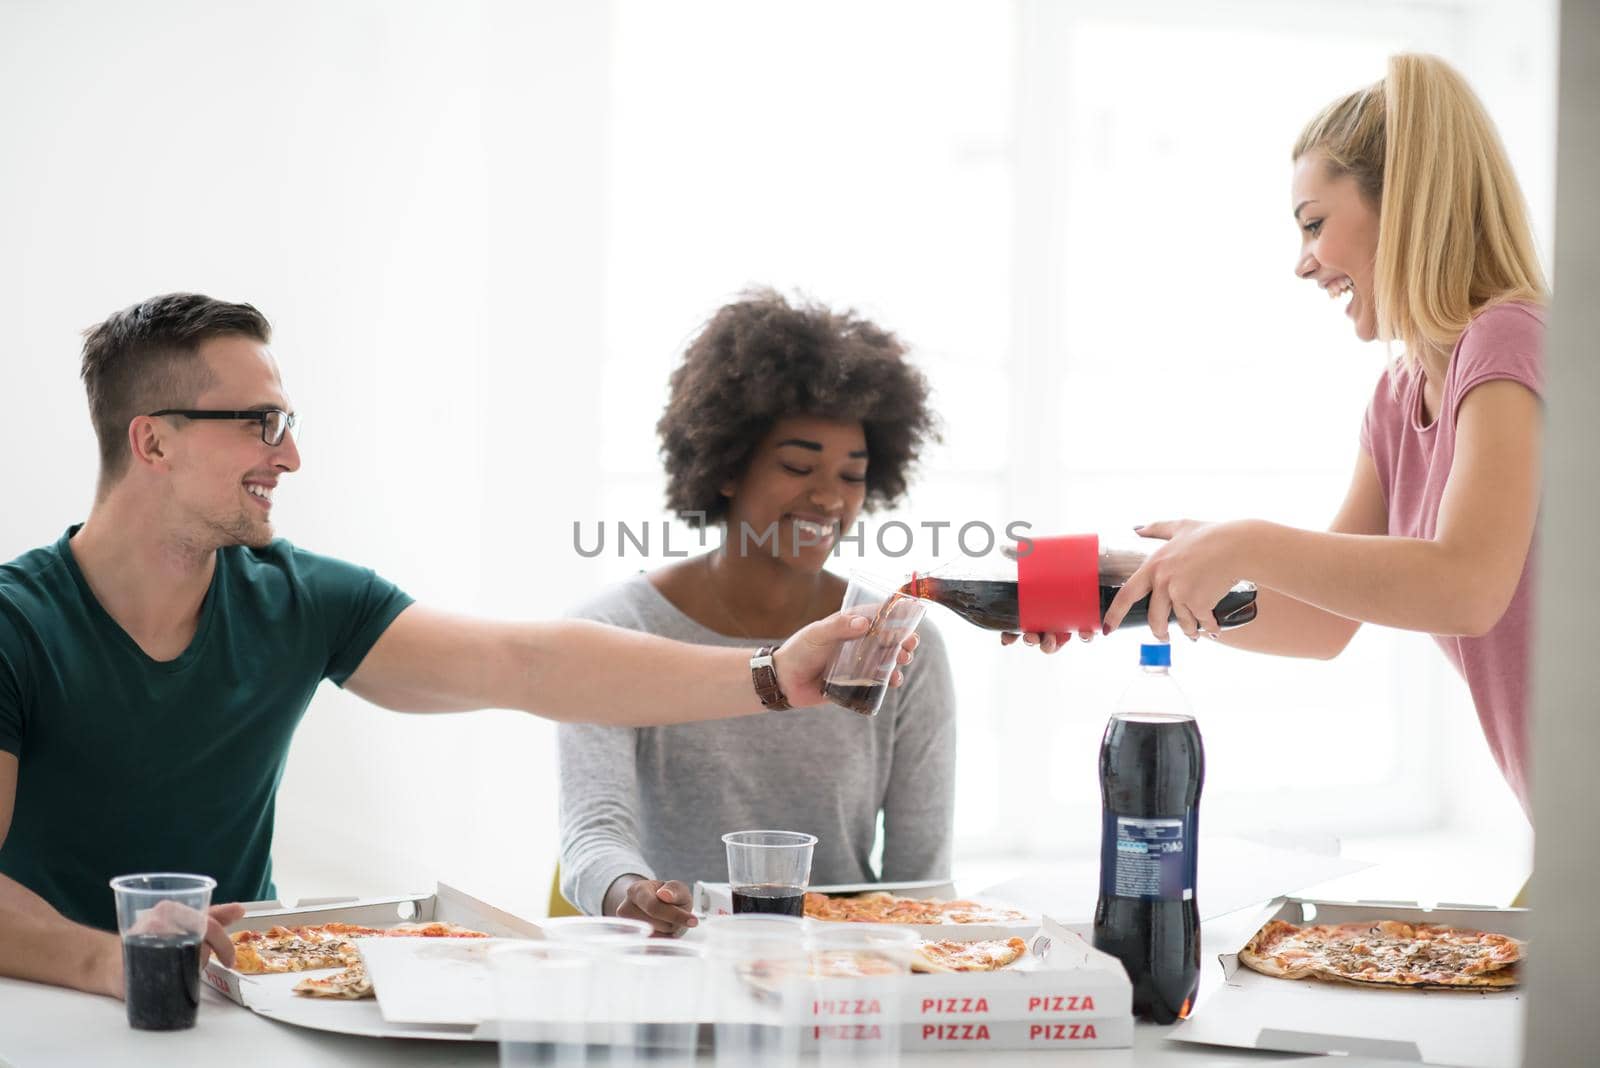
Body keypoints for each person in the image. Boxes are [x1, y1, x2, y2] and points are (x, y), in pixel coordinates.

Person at [0, 293, 919, 997]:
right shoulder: (15, 625)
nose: (287, 457)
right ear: (152, 441)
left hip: (229, 1010)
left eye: (288, 426)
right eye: (259, 423)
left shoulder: (301, 599)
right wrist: (120, 962)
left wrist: (770, 675)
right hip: (45, 1014)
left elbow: (526, 663)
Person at [1091, 54, 1545, 817]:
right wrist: (1141, 578)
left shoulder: (1510, 338)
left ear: (1404, 206)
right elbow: (1320, 620)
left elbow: (1467, 588)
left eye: (1314, 224)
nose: (1304, 264)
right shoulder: (1398, 400)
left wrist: (1239, 541)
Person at [559, 291, 955, 935]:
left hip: (842, 980)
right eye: (798, 466)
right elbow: (592, 839)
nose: (829, 498)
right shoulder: (611, 632)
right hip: (674, 966)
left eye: (852, 476)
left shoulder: (900, 644)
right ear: (726, 467)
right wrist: (634, 894)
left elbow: (922, 881)